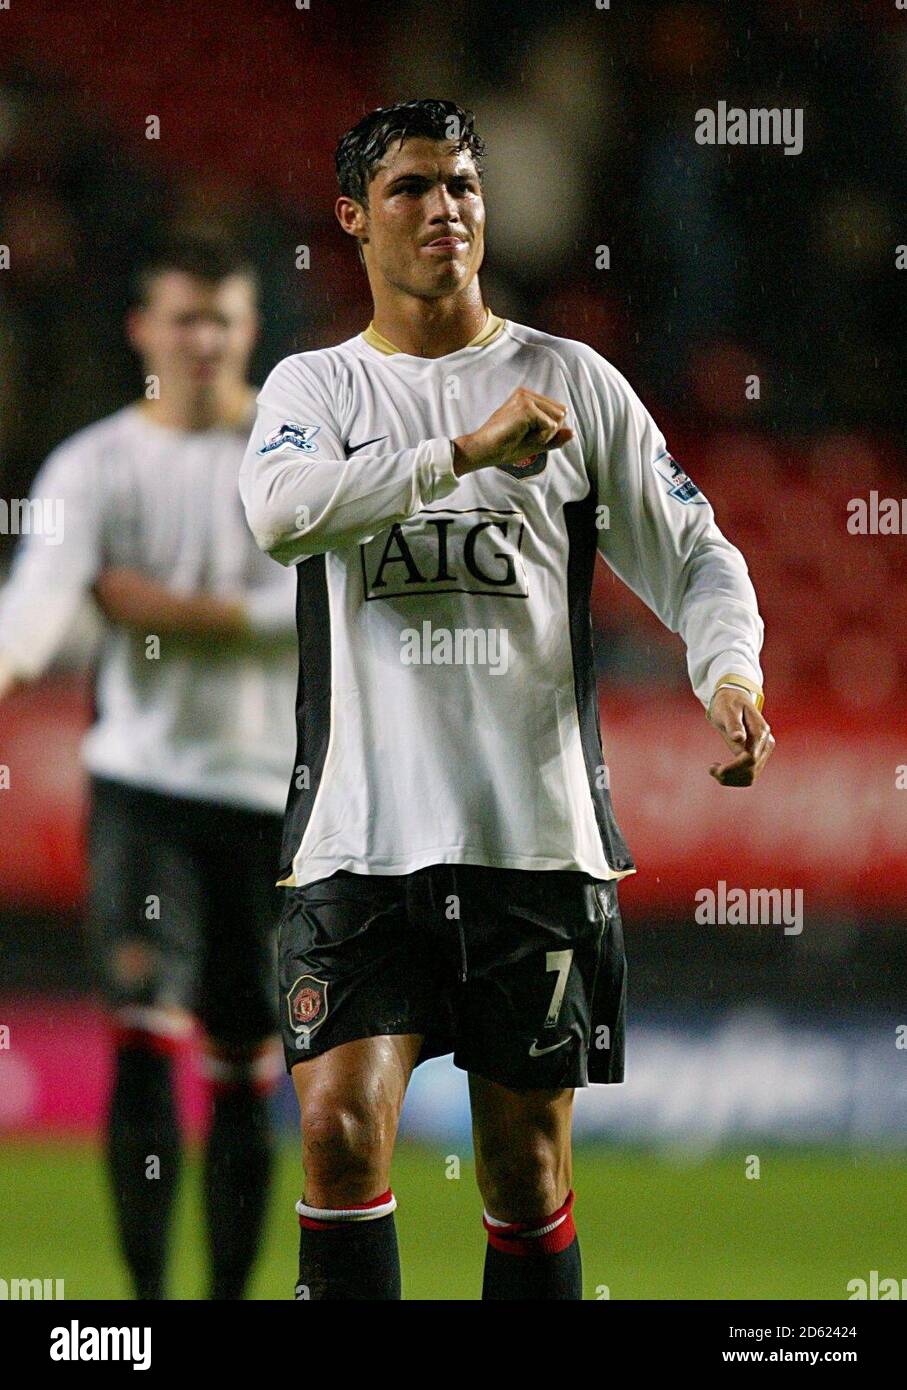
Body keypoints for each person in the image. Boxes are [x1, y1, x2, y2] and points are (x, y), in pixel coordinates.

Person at [239, 99, 774, 1302]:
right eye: (412, 189)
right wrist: (462, 455)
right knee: (333, 1129)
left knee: (526, 1167)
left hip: (531, 842)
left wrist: (724, 670)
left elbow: (698, 558)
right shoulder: (313, 386)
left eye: (463, 187)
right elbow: (279, 518)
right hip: (357, 840)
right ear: (351, 219)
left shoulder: (568, 380)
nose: (444, 210)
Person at [0, 232, 298, 1299]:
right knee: (139, 1034)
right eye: (185, 318)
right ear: (143, 329)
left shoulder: (294, 449)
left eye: (224, 318)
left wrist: (160, 609)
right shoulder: (92, 465)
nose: (206, 339)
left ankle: (222, 1298)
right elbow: (34, 606)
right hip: (143, 792)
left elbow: (301, 619)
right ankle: (146, 1307)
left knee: (240, 1067)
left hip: (272, 801)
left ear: (251, 326)